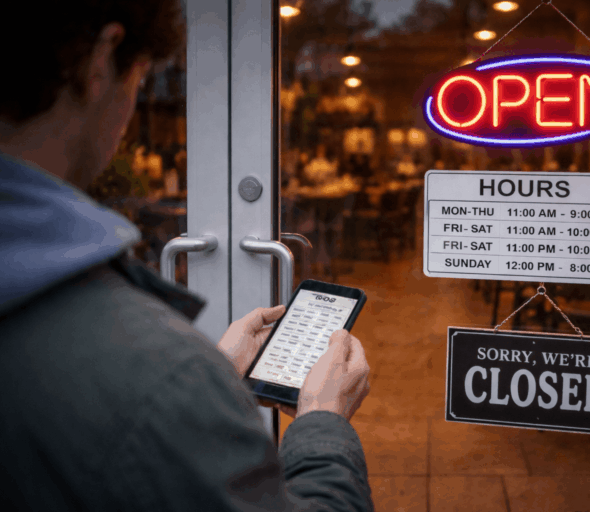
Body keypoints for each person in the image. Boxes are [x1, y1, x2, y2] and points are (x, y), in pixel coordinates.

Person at [0, 2, 373, 511]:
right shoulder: (156, 377)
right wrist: (321, 422)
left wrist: (212, 373)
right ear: (101, 63)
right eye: (139, 76)